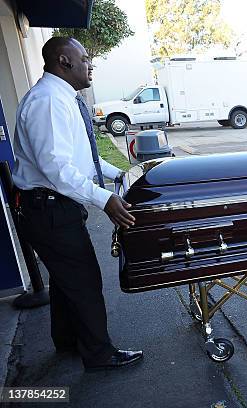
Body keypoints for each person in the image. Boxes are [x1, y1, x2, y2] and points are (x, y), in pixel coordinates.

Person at [11, 37, 143, 369]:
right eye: (84, 58)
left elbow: (81, 158)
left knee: (65, 277)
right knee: (83, 281)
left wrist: (120, 175)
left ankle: (68, 340)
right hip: (49, 207)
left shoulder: (61, 97)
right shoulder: (48, 102)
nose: (90, 64)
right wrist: (105, 200)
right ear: (63, 61)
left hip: (53, 206)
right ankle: (99, 354)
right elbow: (57, 169)